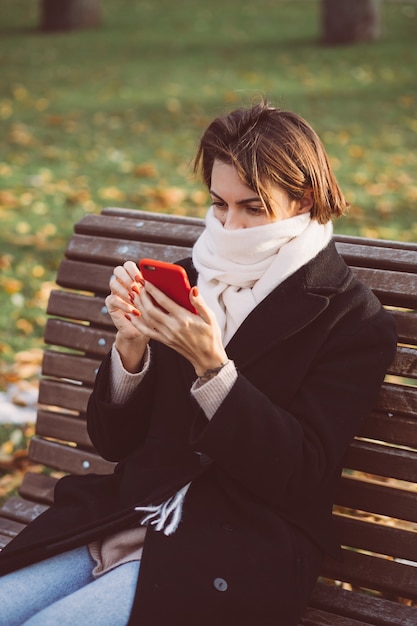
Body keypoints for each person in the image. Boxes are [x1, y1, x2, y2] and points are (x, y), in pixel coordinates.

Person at [0, 101, 397, 626]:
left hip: (244, 542)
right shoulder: (187, 279)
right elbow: (114, 445)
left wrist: (212, 367)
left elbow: (302, 475)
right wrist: (131, 350)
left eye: (253, 208)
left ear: (302, 199)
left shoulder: (352, 320)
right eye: (219, 205)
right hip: (126, 511)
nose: (231, 226)